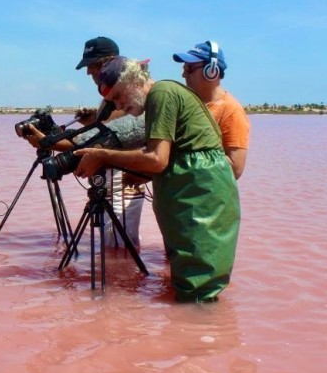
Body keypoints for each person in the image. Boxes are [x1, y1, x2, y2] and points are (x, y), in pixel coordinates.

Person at [73, 57, 240, 302]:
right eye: (113, 102)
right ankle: (197, 332)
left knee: (197, 288)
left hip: (200, 195)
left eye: (119, 96)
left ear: (133, 81)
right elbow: (173, 156)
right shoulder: (158, 98)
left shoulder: (161, 94)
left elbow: (157, 159)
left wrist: (101, 155)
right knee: (190, 283)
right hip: (192, 191)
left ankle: (202, 336)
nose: (119, 104)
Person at [23, 36, 146, 249]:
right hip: (109, 185)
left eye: (93, 66)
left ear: (109, 63)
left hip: (122, 187)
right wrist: (92, 120)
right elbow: (99, 134)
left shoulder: (126, 98)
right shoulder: (111, 98)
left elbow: (97, 144)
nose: (89, 73)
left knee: (120, 255)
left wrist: (46, 142)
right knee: (114, 253)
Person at [173, 40, 250, 179]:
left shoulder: (231, 110)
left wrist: (178, 160)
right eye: (183, 69)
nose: (183, 75)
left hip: (206, 197)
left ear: (211, 71)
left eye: (189, 69)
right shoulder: (187, 105)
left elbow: (235, 168)